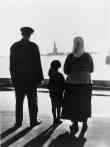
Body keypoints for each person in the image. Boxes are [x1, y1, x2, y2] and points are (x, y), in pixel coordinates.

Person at [10, 27, 44, 128]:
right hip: (31, 80)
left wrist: (13, 79)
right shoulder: (33, 46)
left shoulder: (14, 46)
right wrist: (40, 78)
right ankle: (33, 121)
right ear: (30, 35)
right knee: (32, 101)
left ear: (22, 34)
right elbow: (38, 64)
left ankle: (18, 122)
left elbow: (12, 65)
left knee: (19, 102)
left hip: (19, 80)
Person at [61, 36, 94, 136]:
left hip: (72, 84)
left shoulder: (70, 56)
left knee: (73, 104)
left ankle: (74, 124)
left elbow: (66, 71)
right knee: (84, 103)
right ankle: (84, 123)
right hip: (85, 83)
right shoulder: (87, 56)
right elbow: (92, 69)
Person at [47, 60, 65, 124]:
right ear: (59, 67)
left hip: (52, 93)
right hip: (59, 93)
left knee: (53, 106)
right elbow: (63, 84)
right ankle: (58, 118)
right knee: (59, 106)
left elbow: (48, 85)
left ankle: (54, 119)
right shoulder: (60, 75)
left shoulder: (51, 75)